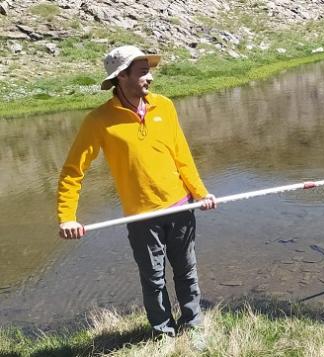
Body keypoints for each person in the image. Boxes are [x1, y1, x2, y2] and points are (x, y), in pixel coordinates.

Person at [57, 45, 217, 338]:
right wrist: (67, 217)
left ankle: (193, 328)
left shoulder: (164, 106)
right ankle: (163, 335)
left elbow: (182, 155)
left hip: (181, 207)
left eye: (149, 71)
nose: (150, 78)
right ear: (122, 77)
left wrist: (201, 192)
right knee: (154, 279)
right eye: (143, 72)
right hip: (142, 217)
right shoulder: (99, 121)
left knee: (186, 272)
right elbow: (72, 172)